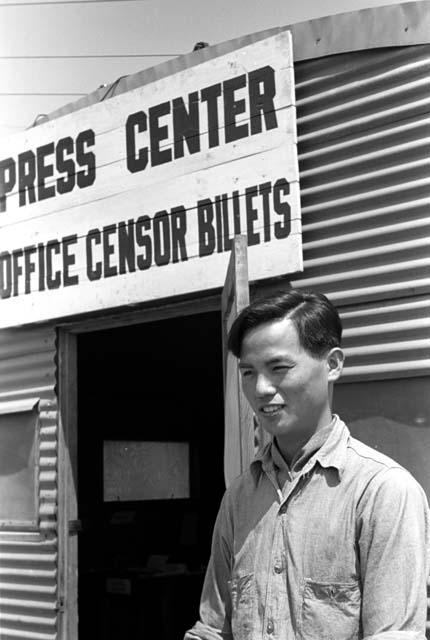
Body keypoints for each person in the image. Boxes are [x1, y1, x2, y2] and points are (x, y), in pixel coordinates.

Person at [185, 289, 430, 640]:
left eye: (278, 368)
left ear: (332, 364)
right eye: (248, 372)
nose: (261, 388)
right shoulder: (239, 498)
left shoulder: (383, 492)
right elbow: (212, 629)